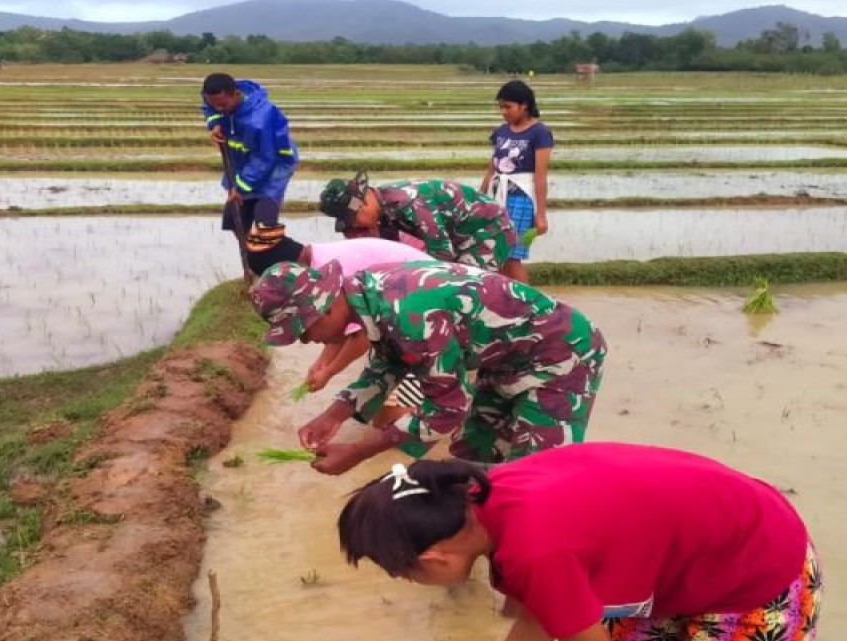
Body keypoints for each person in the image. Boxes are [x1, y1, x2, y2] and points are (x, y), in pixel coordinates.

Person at [338, 445, 822, 641]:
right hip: (708, 540)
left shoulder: (535, 552)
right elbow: (538, 618)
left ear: (434, 558)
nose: (405, 581)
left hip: (757, 564)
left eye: (402, 574)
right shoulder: (489, 495)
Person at [248, 260, 606, 475]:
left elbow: (447, 408)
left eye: (303, 330)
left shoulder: (409, 314)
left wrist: (360, 451)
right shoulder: (368, 294)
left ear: (323, 307)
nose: (307, 341)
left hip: (563, 356)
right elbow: (388, 361)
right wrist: (333, 415)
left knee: (537, 476)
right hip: (504, 363)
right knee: (472, 457)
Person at [244, 223, 433, 393]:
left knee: (397, 396)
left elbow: (362, 336)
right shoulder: (317, 273)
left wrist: (329, 371)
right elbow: (339, 327)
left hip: (423, 301)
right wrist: (322, 363)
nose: (306, 339)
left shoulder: (334, 271)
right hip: (408, 304)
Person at [319, 173, 516, 273]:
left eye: (354, 221)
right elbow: (391, 253)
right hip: (460, 238)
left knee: (465, 284)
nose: (358, 227)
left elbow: (442, 254)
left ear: (362, 205)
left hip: (489, 231)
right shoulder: (383, 210)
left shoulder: (410, 204)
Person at [200, 73, 298, 244]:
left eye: (223, 105)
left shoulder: (259, 119)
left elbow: (265, 158)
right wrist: (216, 123)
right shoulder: (218, 101)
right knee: (235, 220)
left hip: (274, 167)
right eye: (215, 105)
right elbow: (209, 107)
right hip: (242, 163)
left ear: (236, 94)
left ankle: (274, 264)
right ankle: (251, 264)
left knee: (265, 225)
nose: (220, 109)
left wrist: (240, 188)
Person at [481, 80, 552, 284]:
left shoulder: (539, 133)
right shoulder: (501, 132)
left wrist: (541, 215)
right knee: (497, 255)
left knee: (512, 257)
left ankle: (529, 305)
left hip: (520, 200)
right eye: (501, 107)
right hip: (497, 198)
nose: (504, 111)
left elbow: (540, 176)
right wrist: (478, 198)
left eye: (508, 106)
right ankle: (508, 300)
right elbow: (492, 168)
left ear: (525, 105)